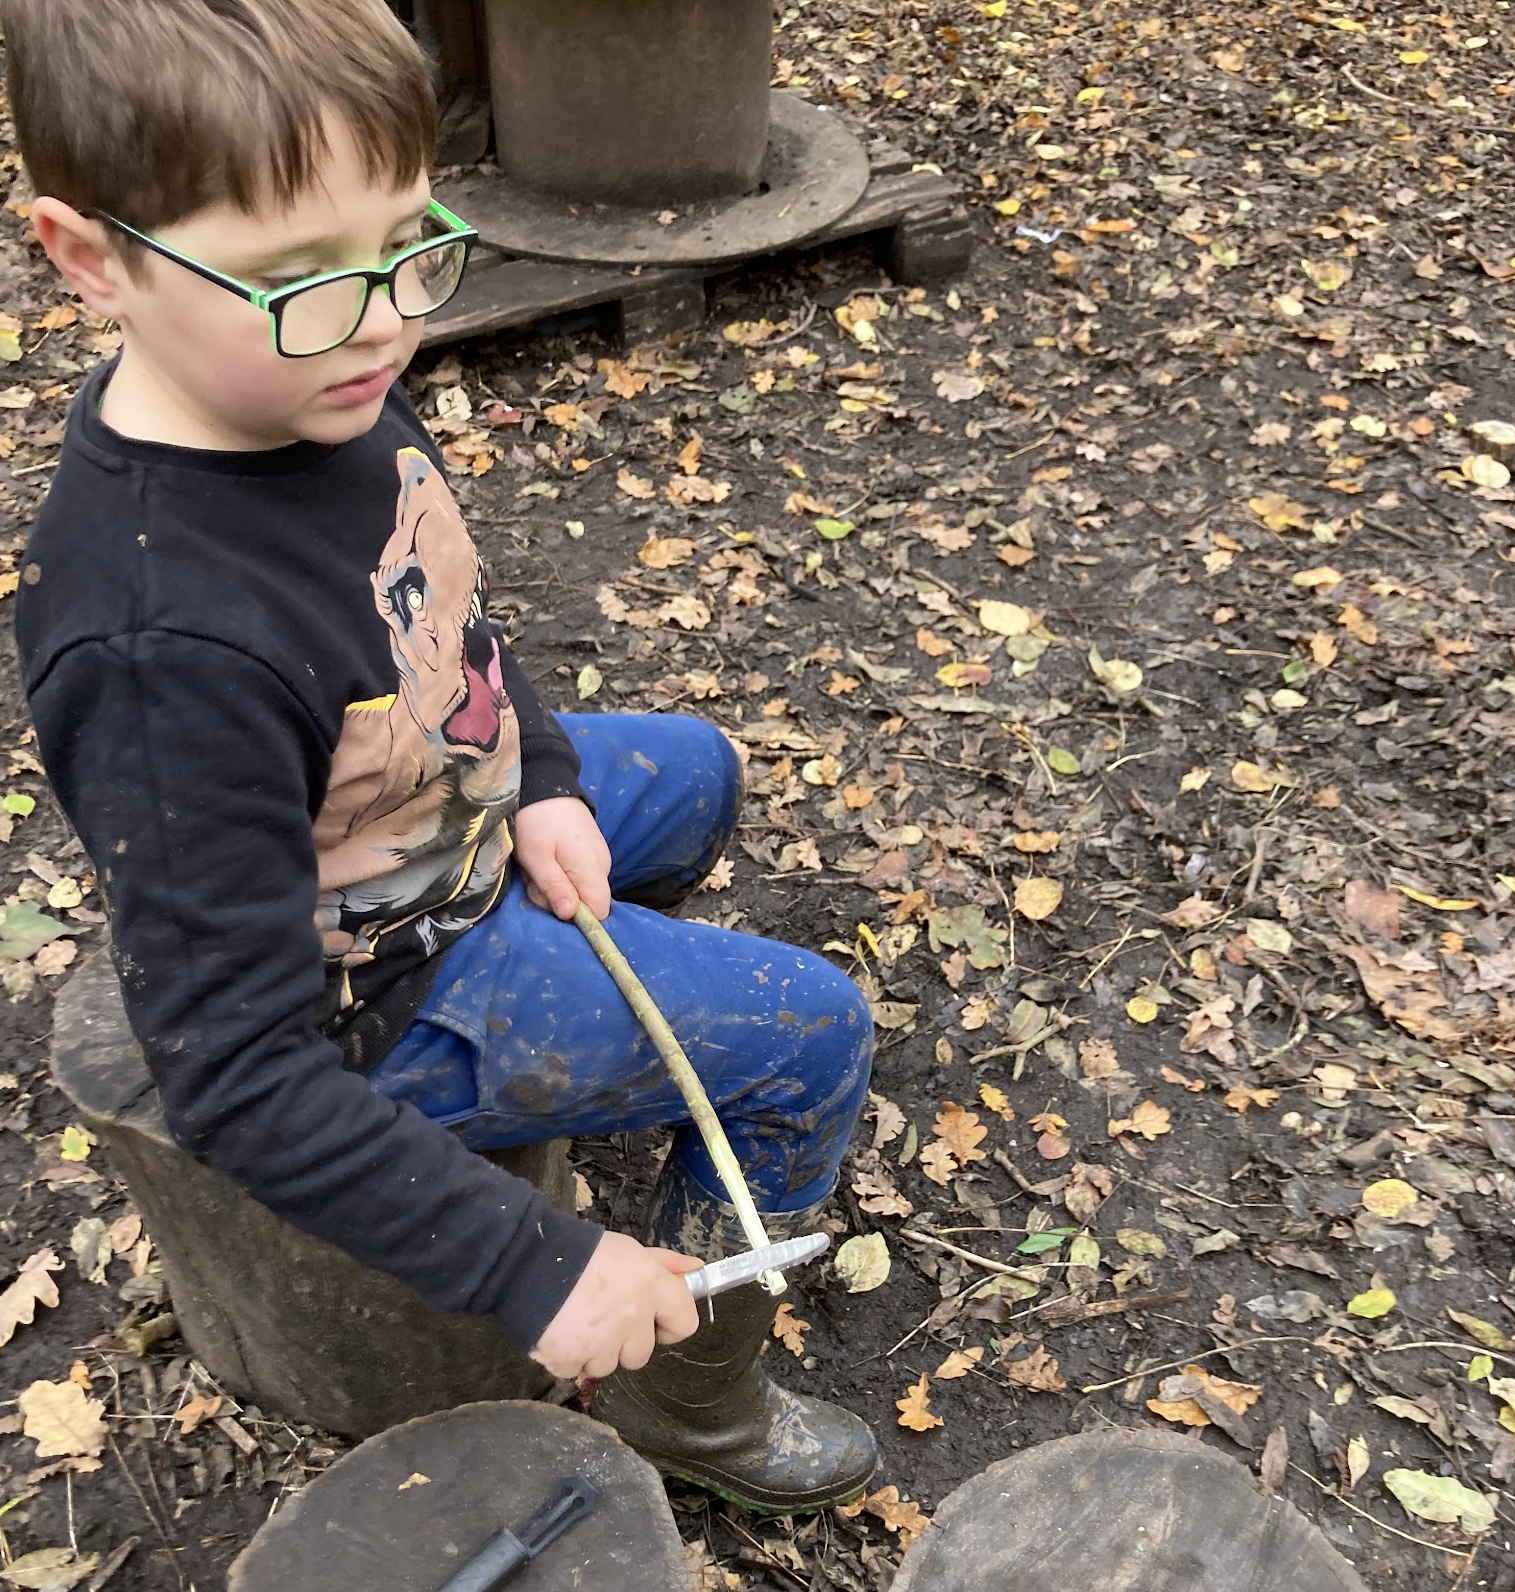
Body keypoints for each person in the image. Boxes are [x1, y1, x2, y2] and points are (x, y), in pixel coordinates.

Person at [4, 0, 877, 1513]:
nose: (384, 320)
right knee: (814, 1030)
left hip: (443, 808)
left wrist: (540, 777)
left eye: (406, 244)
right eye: (296, 277)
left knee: (698, 770)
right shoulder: (162, 652)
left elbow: (448, 608)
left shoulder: (315, 366)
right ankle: (698, 1401)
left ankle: (622, 1047)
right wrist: (534, 1263)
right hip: (379, 995)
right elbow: (237, 1077)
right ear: (92, 257)